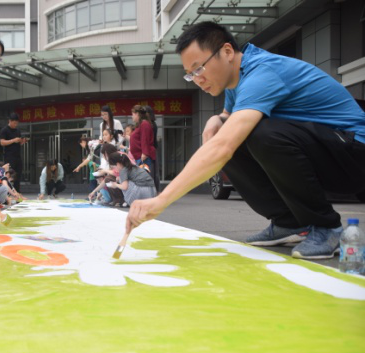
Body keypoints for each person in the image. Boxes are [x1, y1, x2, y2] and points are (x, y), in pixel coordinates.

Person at [127, 21, 365, 260]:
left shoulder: (262, 73)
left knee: (259, 134)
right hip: (328, 153)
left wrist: (161, 200)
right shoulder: (237, 78)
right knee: (230, 131)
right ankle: (289, 223)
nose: (197, 79)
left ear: (227, 52)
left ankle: (327, 228)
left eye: (199, 69)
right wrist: (218, 118)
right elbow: (228, 118)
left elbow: (223, 146)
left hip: (354, 154)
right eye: (190, 74)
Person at [129, 105, 159, 190]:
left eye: (133, 114)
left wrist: (145, 153)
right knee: (143, 179)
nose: (132, 116)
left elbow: (144, 139)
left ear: (137, 114)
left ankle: (150, 196)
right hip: (140, 157)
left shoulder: (144, 124)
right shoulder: (141, 124)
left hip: (144, 157)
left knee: (146, 179)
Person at [0, 112, 28, 192]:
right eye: (14, 123)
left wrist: (22, 141)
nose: (15, 125)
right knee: (9, 174)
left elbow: (18, 143)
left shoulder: (18, 130)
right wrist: (13, 140)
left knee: (18, 175)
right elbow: (2, 142)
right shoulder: (4, 130)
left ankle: (17, 192)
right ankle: (8, 192)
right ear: (10, 121)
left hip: (17, 156)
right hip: (9, 156)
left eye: (17, 123)